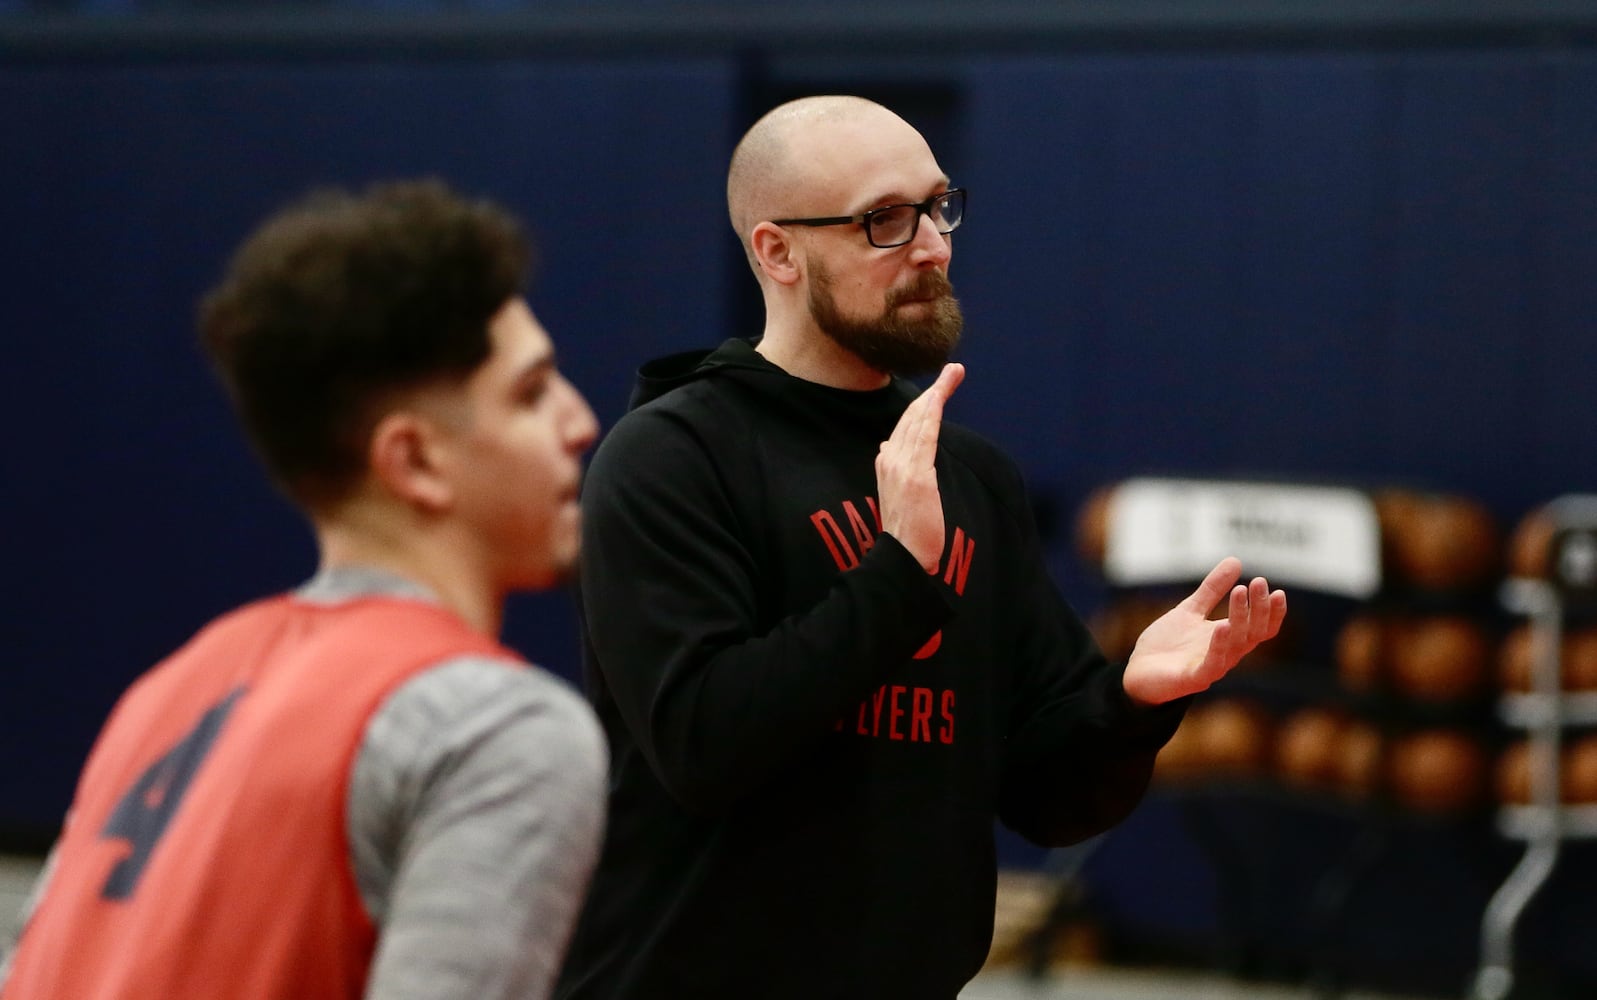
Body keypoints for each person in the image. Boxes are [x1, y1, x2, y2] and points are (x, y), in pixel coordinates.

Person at [553, 95, 1288, 999]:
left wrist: (1132, 699)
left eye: (938, 207)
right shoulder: (672, 456)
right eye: (883, 222)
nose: (933, 246)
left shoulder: (968, 472)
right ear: (777, 252)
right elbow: (706, 748)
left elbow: (1045, 800)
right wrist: (899, 576)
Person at [0, 179, 606, 1000]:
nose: (579, 423)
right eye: (531, 394)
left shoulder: (166, 693)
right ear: (414, 462)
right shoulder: (499, 730)